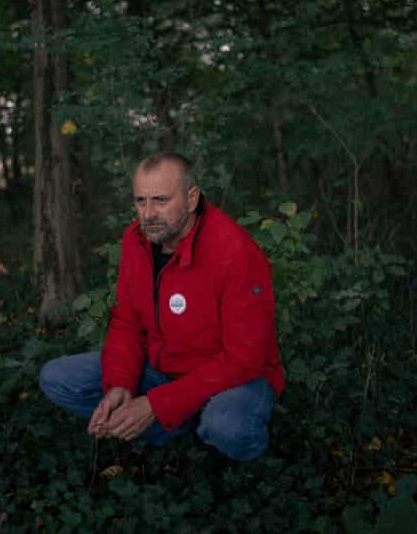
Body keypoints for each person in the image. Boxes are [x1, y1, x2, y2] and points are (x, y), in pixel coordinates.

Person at [39, 153, 284, 461]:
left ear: (192, 198)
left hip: (233, 379)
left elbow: (245, 358)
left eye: (160, 200)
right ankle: (173, 426)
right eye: (140, 201)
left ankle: (235, 454)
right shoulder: (135, 241)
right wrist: (120, 384)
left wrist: (157, 404)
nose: (148, 213)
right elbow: (127, 323)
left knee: (228, 426)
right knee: (57, 377)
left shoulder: (234, 252)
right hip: (165, 369)